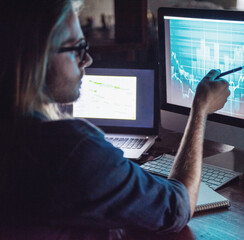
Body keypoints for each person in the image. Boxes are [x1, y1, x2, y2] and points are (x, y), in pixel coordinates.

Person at [0, 0, 230, 238]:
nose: (87, 59)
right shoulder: (70, 149)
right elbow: (176, 208)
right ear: (35, 57)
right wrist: (200, 108)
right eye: (76, 47)